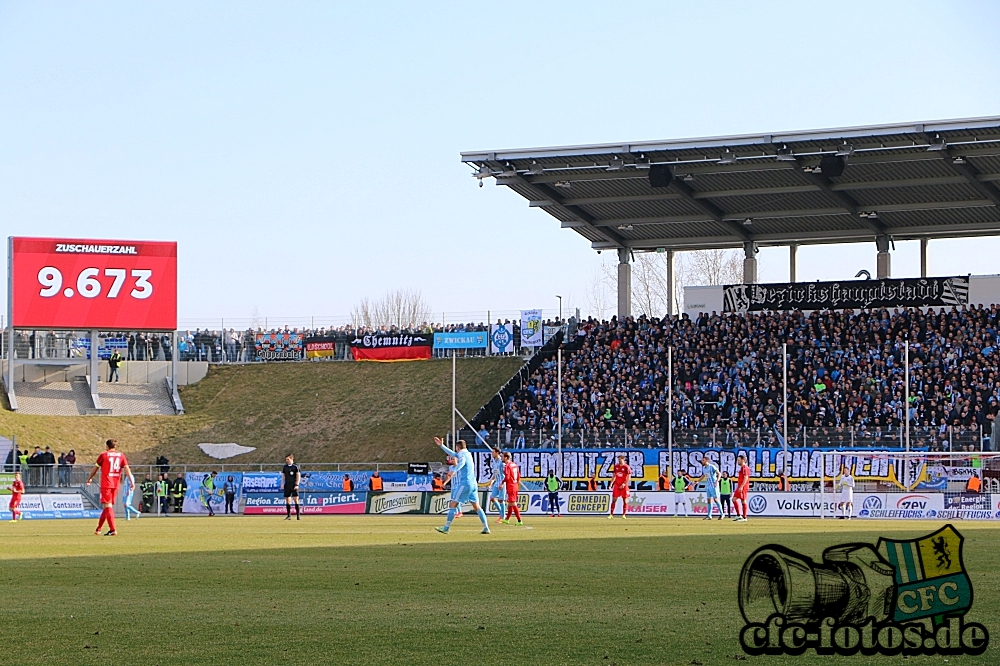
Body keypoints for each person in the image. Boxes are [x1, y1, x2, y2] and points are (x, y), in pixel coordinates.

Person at [434, 437, 490, 535]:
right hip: (473, 484)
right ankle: (486, 527)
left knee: (453, 504)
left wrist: (454, 470)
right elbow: (453, 454)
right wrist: (442, 446)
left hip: (465, 484)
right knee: (477, 507)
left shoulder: (462, 455)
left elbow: (462, 462)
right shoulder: (468, 453)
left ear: (458, 447)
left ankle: (446, 528)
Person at [85, 439, 133, 536]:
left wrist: (89, 478)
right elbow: (127, 469)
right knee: (107, 507)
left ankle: (113, 530)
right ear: (115, 446)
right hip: (115, 484)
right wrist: (132, 481)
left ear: (107, 446)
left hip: (106, 484)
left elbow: (95, 468)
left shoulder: (104, 455)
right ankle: (98, 529)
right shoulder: (121, 456)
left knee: (108, 506)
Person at [501, 451, 522, 526]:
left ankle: (519, 520)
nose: (501, 458)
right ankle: (507, 519)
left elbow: (507, 477)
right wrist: (517, 483)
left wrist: (502, 483)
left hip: (511, 486)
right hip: (515, 485)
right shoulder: (514, 465)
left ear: (506, 458)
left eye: (502, 457)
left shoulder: (507, 466)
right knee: (510, 503)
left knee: (513, 503)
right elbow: (519, 475)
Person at [700, 455, 724, 520]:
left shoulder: (712, 467)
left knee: (716, 499)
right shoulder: (704, 468)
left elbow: (719, 473)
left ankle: (722, 514)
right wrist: (698, 481)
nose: (702, 461)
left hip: (714, 485)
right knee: (709, 500)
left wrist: (717, 481)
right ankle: (709, 515)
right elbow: (704, 475)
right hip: (708, 486)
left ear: (707, 461)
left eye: (703, 460)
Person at [486, 447, 507, 520]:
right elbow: (495, 473)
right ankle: (502, 513)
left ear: (497, 453)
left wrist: (503, 482)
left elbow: (506, 472)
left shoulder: (502, 461)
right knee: (492, 498)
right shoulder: (494, 461)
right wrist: (491, 482)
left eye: (493, 452)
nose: (492, 453)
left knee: (501, 500)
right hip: (496, 482)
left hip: (502, 482)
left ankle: (503, 517)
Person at [608, 454, 631, 519]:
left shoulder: (627, 467)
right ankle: (611, 514)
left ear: (623, 459)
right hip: (617, 485)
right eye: (618, 459)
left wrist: (624, 484)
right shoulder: (616, 466)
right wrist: (611, 484)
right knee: (614, 500)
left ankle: (624, 514)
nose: (619, 460)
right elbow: (614, 476)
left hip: (624, 486)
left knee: (625, 500)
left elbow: (628, 477)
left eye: (620, 459)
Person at [281, 455, 301, 520]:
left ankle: (298, 515)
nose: (286, 460)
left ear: (291, 459)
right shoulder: (285, 467)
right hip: (287, 485)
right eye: (286, 459)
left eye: (288, 459)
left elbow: (298, 476)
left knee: (296, 499)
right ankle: (289, 515)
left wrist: (297, 484)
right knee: (287, 500)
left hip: (293, 485)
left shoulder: (295, 467)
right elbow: (283, 476)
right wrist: (282, 484)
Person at [732, 453, 751, 522]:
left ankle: (744, 517)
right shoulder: (742, 468)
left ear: (743, 460)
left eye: (739, 460)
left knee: (743, 500)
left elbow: (746, 478)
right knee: (734, 499)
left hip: (743, 487)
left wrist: (741, 487)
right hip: (740, 486)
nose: (738, 461)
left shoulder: (744, 468)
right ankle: (738, 515)